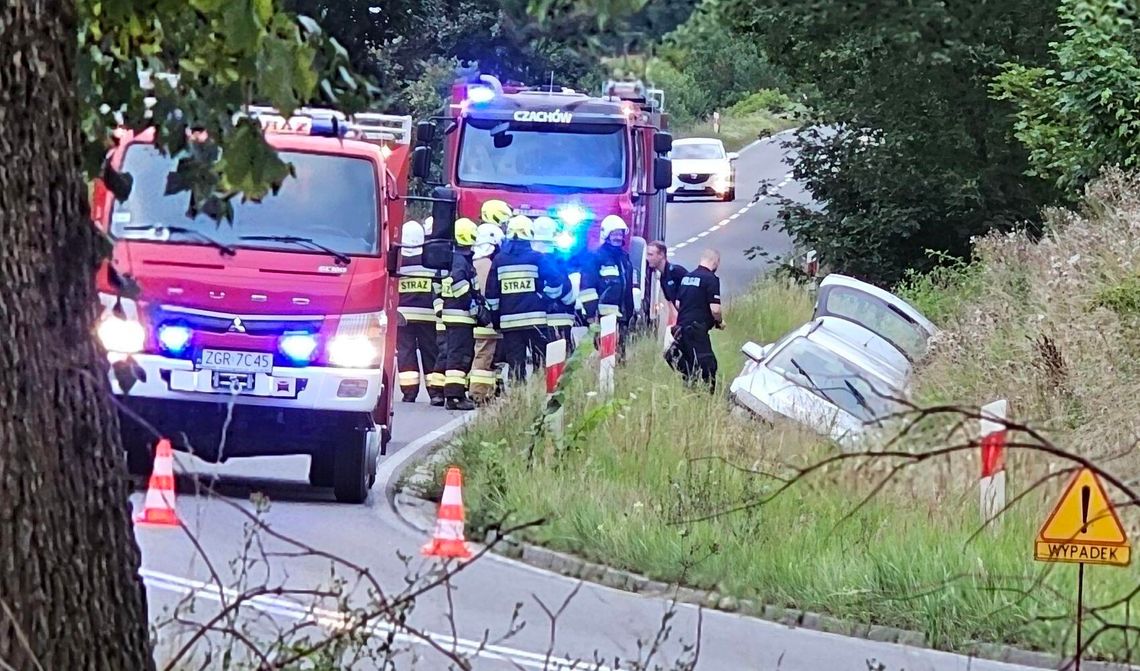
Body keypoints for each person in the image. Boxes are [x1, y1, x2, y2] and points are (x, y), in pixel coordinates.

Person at [485, 215, 569, 382]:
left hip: (509, 323)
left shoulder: (499, 259)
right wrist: (545, 299)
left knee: (515, 365)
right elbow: (557, 279)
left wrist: (496, 320)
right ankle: (542, 392)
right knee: (542, 361)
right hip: (535, 320)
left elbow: (492, 295)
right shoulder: (537, 257)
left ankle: (518, 397)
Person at [395, 220, 441, 404]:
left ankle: (409, 392)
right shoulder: (430, 260)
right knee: (431, 352)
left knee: (406, 353)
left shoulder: (397, 261)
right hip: (427, 316)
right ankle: (435, 391)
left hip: (402, 317)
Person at [579, 214, 636, 361]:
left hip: (622, 316)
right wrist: (591, 315)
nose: (618, 237)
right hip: (603, 317)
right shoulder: (596, 257)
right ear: (606, 234)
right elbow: (587, 288)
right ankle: (602, 382)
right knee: (604, 354)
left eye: (620, 233)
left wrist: (631, 313)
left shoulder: (625, 257)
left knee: (620, 356)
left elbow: (627, 287)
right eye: (614, 233)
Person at [439, 217, 481, 411]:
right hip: (459, 315)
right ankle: (454, 397)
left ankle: (457, 394)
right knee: (458, 356)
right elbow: (459, 284)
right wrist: (473, 307)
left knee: (461, 354)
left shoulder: (458, 257)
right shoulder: (459, 260)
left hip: (457, 315)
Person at [672, 249, 724, 392]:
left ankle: (690, 392)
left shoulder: (687, 277)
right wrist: (719, 322)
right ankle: (708, 396)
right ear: (715, 262)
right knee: (709, 364)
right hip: (697, 330)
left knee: (689, 365)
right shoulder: (711, 279)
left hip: (681, 329)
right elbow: (715, 309)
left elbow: (678, 303)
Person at [469, 222, 504, 405]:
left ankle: (487, 390)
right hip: (487, 322)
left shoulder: (473, 262)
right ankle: (479, 393)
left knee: (481, 356)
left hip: (474, 319)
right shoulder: (488, 265)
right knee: (484, 357)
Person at [532, 216, 577, 349]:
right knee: (563, 360)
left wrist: (541, 299)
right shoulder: (559, 259)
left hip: (538, 319)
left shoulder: (531, 259)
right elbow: (568, 293)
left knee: (540, 359)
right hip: (562, 317)